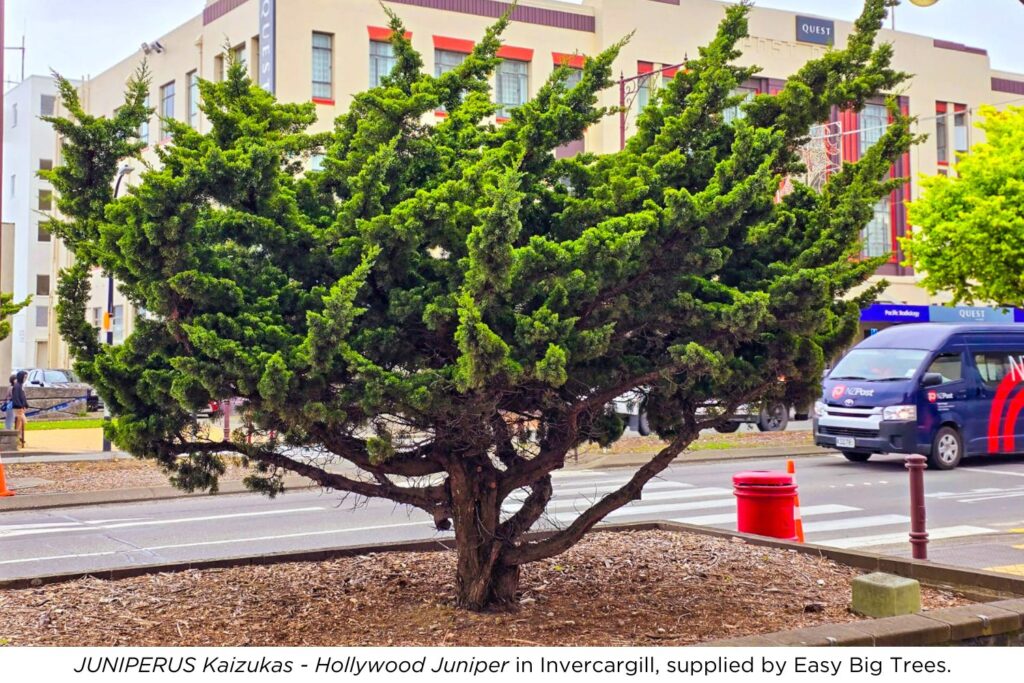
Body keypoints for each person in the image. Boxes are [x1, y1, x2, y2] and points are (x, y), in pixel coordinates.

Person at [11, 370, 29, 447]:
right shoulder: (17, 386)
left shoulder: (20, 386)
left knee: (21, 423)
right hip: (18, 408)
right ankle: (16, 437)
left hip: (20, 408)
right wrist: (20, 406)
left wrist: (25, 405)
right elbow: (16, 398)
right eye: (24, 377)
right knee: (21, 422)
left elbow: (23, 397)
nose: (25, 378)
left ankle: (19, 437)